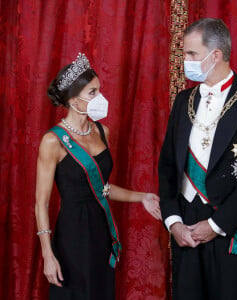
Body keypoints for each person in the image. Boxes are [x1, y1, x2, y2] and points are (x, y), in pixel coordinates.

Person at [158, 18, 237, 300]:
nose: (184, 60)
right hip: (185, 226)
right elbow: (167, 166)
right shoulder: (183, 100)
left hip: (230, 224)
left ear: (216, 55)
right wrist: (173, 221)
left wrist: (215, 225)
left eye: (191, 54)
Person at [35, 53, 161, 300]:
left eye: (99, 90)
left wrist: (142, 197)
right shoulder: (52, 141)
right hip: (72, 235)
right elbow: (41, 203)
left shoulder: (102, 131)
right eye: (92, 93)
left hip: (102, 231)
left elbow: (101, 188)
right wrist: (47, 255)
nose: (100, 97)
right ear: (73, 100)